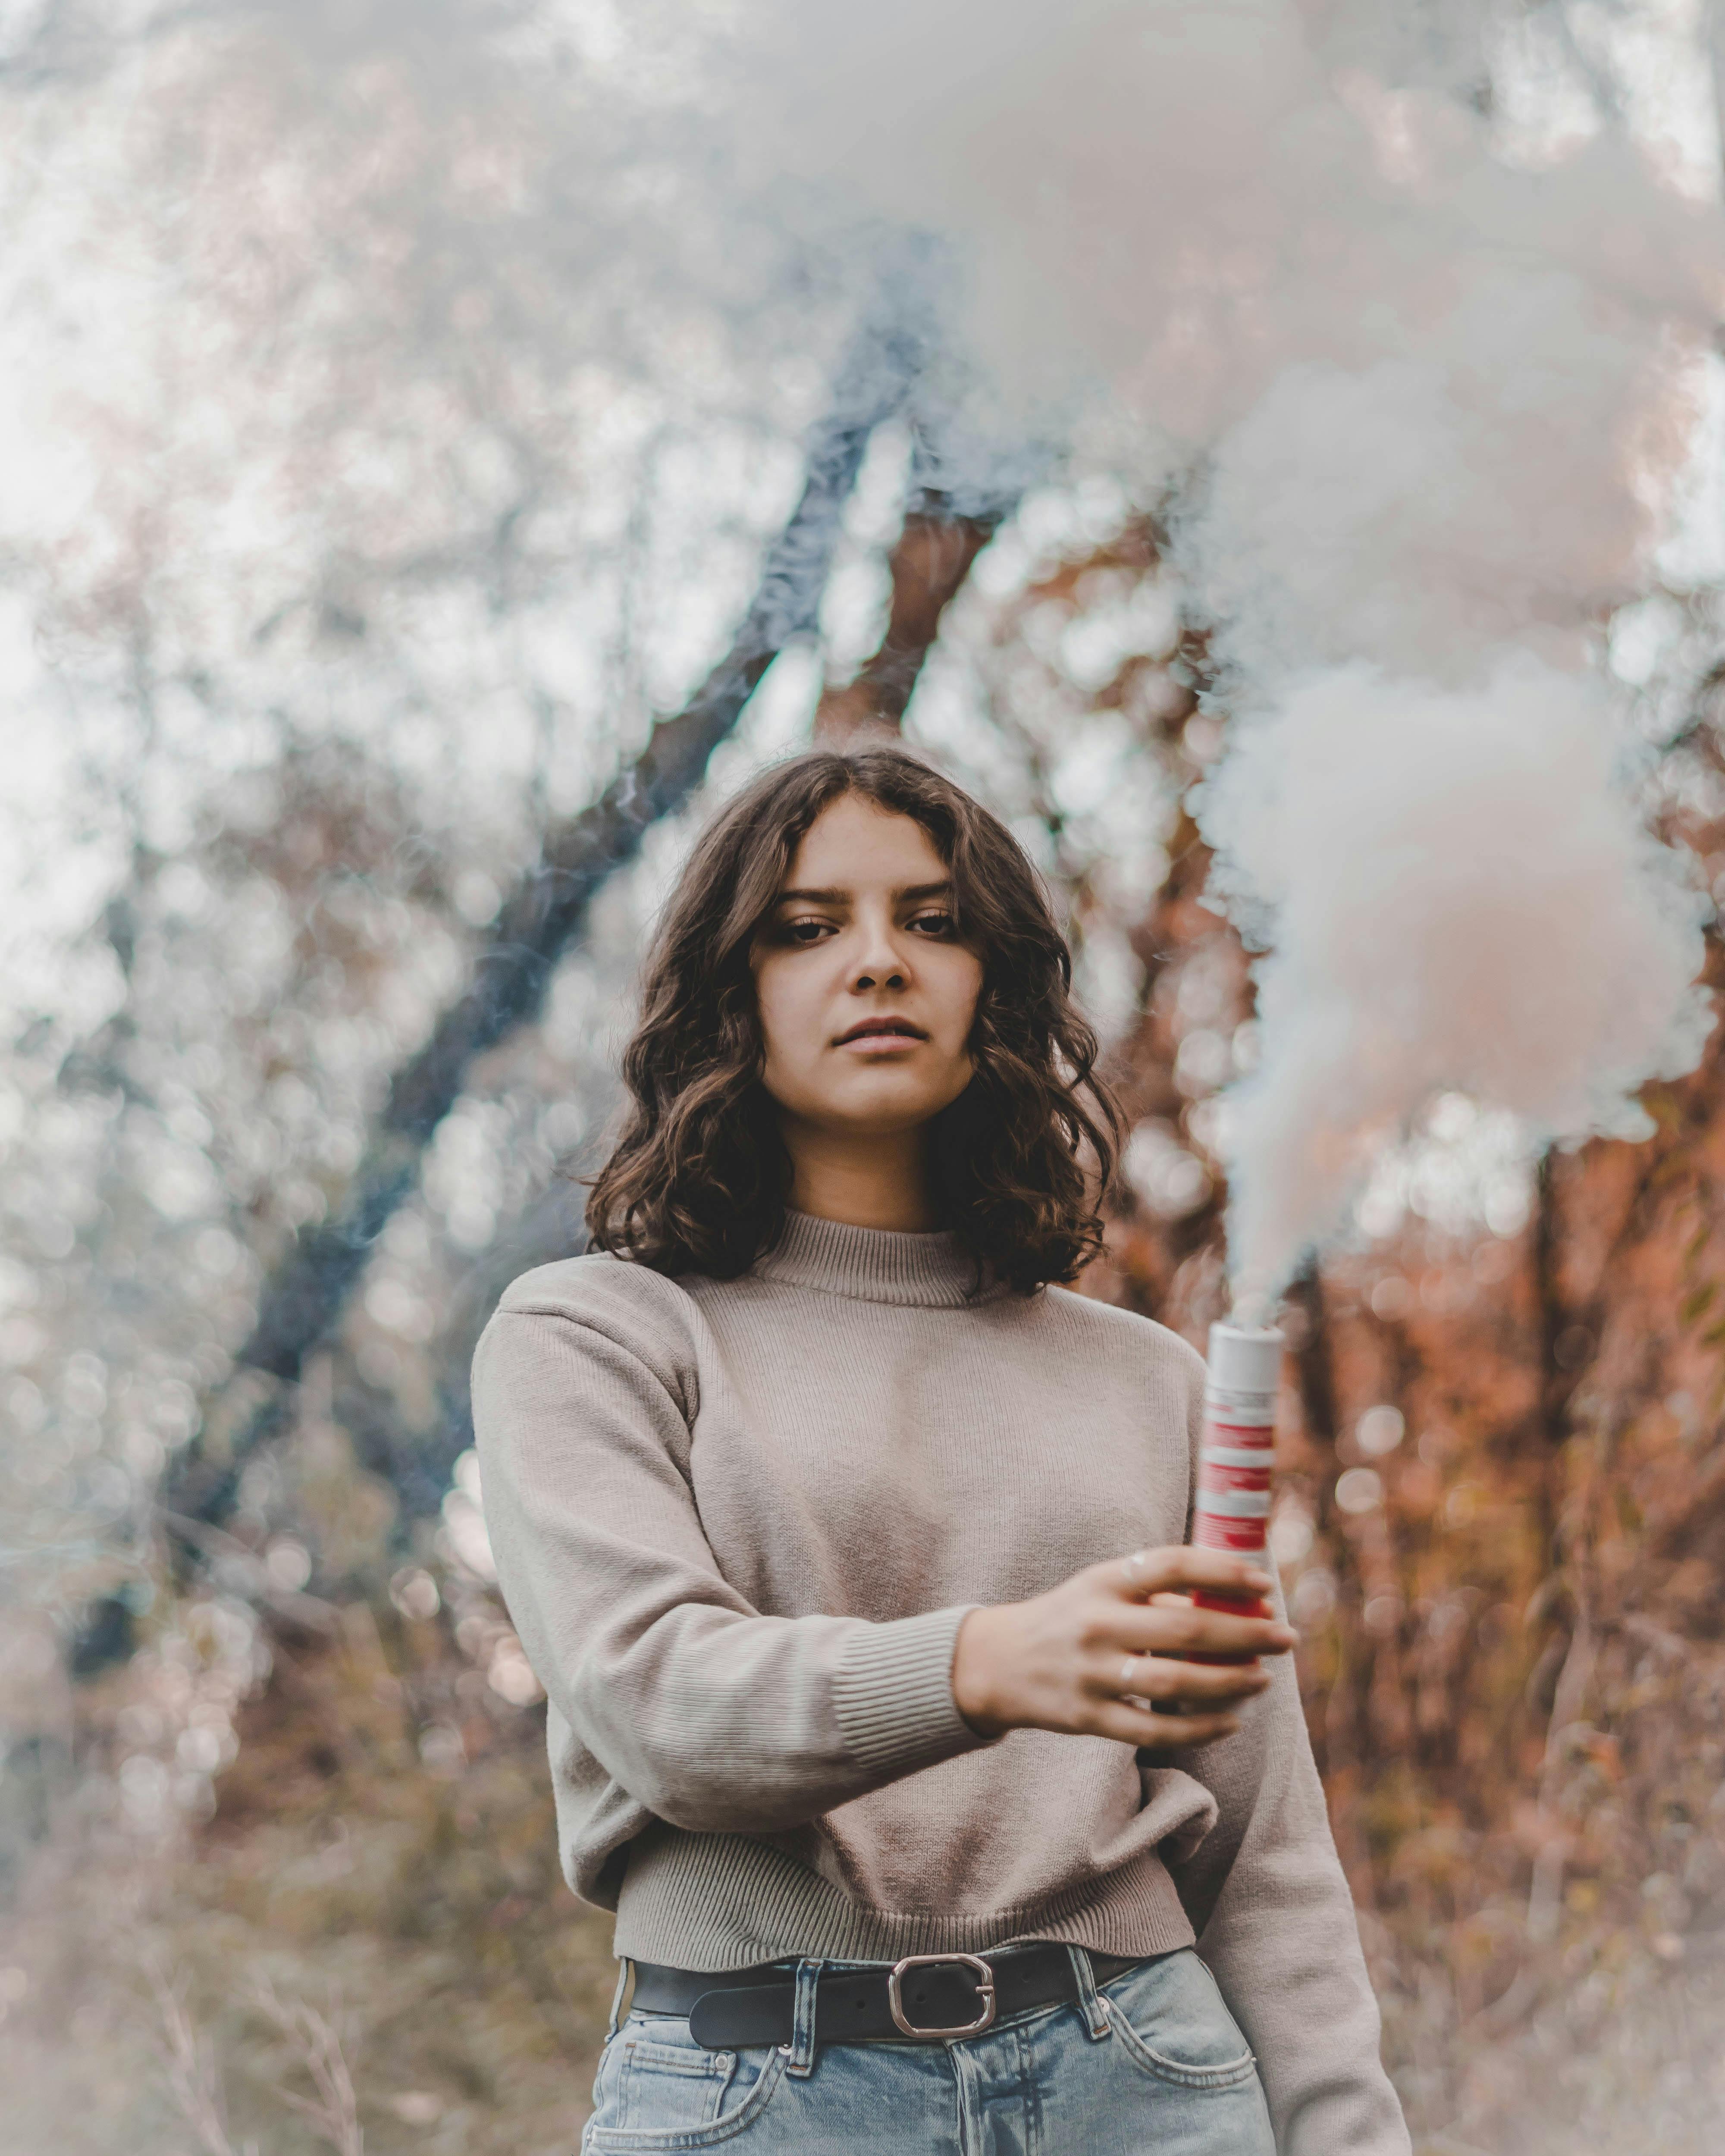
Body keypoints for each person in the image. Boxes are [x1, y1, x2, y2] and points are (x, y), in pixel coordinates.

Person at [471, 744, 1410, 2155]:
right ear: (730, 988)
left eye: (933, 918)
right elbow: (661, 1709)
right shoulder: (595, 1337)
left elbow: (1260, 1851)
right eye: (808, 926)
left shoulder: (1148, 1382)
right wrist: (987, 1663)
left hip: (1144, 2075)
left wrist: (1352, 2137)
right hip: (754, 2094)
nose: (879, 962)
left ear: (998, 980)